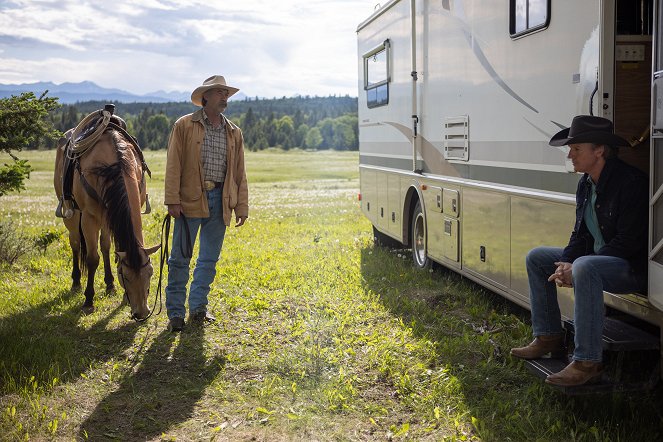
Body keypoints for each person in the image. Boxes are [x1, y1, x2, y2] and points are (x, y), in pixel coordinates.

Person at [510, 115, 648, 387]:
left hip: (630, 268)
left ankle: (587, 362)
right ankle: (549, 337)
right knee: (538, 257)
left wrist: (579, 265)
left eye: (576, 149)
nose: (570, 155)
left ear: (599, 151)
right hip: (596, 260)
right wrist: (565, 263)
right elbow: (580, 234)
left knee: (585, 266)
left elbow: (629, 242)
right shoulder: (586, 183)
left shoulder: (631, 183)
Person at [164, 75, 248, 332]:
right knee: (180, 258)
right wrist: (172, 200)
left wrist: (241, 206)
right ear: (205, 97)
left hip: (221, 200)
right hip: (189, 200)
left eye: (226, 93)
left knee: (208, 259)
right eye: (219, 92)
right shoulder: (184, 125)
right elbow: (173, 164)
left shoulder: (233, 131)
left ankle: (198, 308)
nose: (224, 97)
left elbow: (239, 173)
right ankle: (176, 314)